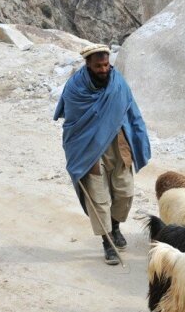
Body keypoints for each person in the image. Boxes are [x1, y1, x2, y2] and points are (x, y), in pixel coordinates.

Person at [54, 44, 151, 265]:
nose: (104, 69)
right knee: (99, 198)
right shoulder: (75, 88)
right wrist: (75, 152)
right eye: (98, 66)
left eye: (106, 64)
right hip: (90, 148)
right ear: (88, 64)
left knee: (125, 192)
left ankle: (115, 226)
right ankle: (108, 242)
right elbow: (73, 125)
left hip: (119, 144)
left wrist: (139, 138)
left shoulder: (118, 83)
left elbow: (132, 112)